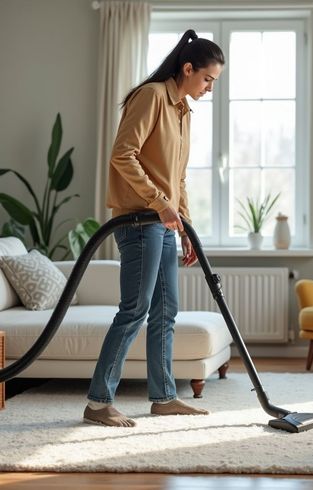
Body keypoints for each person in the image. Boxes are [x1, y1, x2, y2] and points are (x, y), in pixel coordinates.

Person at [83, 30, 225, 427]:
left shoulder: (182, 111)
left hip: (163, 224)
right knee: (135, 310)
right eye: (208, 79)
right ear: (187, 68)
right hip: (140, 221)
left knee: (166, 311)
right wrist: (161, 205)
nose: (210, 88)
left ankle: (163, 397)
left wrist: (186, 227)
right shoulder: (151, 97)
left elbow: (176, 177)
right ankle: (97, 402)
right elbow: (122, 155)